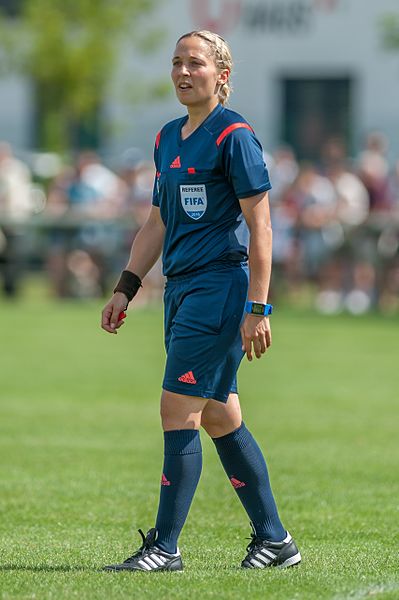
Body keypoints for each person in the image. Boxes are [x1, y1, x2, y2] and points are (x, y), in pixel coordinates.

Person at [101, 30, 301, 572]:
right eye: (176, 63)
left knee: (177, 408)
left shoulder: (235, 136)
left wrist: (258, 309)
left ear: (222, 76)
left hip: (218, 290)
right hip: (181, 290)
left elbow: (262, 229)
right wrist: (126, 285)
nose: (183, 72)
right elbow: (158, 221)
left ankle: (164, 548)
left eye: (195, 63)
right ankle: (276, 542)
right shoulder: (167, 137)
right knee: (218, 416)